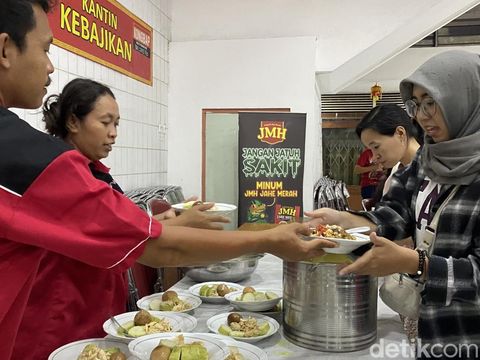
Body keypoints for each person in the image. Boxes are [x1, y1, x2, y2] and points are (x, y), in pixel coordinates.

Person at [0, 1, 336, 359]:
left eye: (118, 123)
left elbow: (119, 230)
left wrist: (166, 222)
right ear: (6, 49)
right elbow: (157, 247)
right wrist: (270, 240)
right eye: (46, 49)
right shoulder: (34, 162)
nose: (51, 67)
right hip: (46, 336)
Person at [306, 50, 480, 359]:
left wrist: (414, 263)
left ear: (465, 98)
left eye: (432, 101)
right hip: (432, 332)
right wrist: (346, 221)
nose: (422, 115)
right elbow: (395, 211)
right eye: (416, 104)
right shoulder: (428, 160)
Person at [356, 104, 422, 210]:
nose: (373, 158)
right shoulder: (396, 171)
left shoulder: (431, 172)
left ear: (400, 133)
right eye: (371, 150)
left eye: (376, 147)